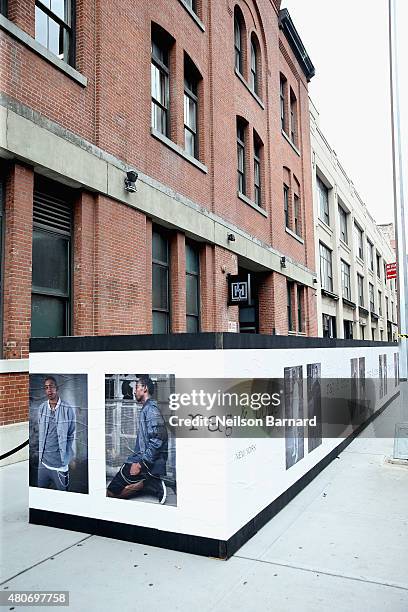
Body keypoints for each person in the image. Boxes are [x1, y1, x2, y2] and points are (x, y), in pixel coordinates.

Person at [107, 375, 168, 504]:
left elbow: (158, 439)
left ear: (144, 388)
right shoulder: (147, 408)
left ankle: (149, 483)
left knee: (111, 493)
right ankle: (147, 482)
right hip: (139, 458)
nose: (134, 391)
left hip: (143, 462)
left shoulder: (151, 409)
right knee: (111, 492)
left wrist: (141, 464)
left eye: (137, 387)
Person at [37, 376, 76, 491]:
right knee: (41, 495)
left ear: (57, 388)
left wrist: (68, 456)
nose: (49, 390)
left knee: (63, 497)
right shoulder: (42, 408)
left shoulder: (67, 408)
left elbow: (71, 434)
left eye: (51, 386)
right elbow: (42, 433)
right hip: (43, 463)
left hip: (60, 465)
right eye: (46, 387)